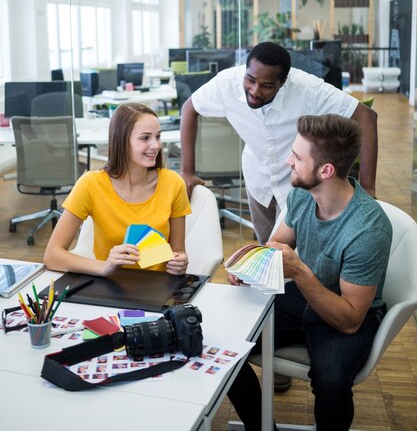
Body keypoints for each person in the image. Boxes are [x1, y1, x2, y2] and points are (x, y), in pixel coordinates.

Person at [227, 114, 392, 431]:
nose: (288, 161)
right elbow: (277, 245)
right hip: (302, 296)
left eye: (297, 157)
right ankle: (260, 427)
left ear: (326, 170)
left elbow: (349, 319)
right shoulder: (302, 193)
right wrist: (249, 262)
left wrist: (300, 271)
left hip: (344, 312)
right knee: (225, 346)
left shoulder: (368, 229)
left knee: (331, 383)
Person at [180, 41, 378, 246]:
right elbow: (189, 108)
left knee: (291, 253)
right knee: (266, 250)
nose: (255, 91)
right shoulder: (226, 83)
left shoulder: (307, 89)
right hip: (258, 180)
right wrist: (187, 171)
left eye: (267, 86)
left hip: (297, 186)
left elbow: (367, 117)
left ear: (283, 82)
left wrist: (367, 188)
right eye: (251, 79)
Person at [44, 103, 190, 276]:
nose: (156, 145)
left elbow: (178, 251)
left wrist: (180, 263)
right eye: (145, 138)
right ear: (121, 140)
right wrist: (103, 267)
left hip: (157, 286)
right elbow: (52, 256)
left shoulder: (173, 183)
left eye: (158, 137)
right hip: (108, 285)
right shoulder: (91, 184)